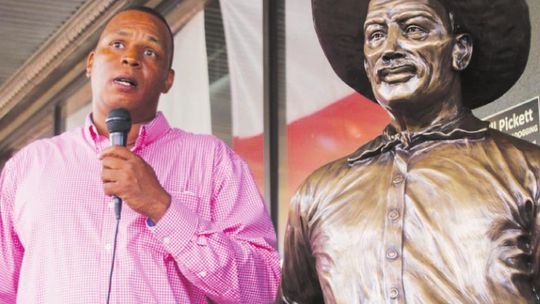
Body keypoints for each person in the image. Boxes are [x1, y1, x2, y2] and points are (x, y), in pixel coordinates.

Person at [0, 6, 280, 303]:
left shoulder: (212, 161)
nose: (130, 58)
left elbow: (264, 288)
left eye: (150, 52)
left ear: (167, 80)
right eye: (117, 44)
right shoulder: (29, 167)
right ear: (91, 63)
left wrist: (162, 207)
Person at [280, 0, 539, 303]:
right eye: (375, 35)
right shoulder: (316, 194)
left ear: (460, 50)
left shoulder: (528, 174)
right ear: (367, 64)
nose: (388, 49)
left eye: (413, 29)